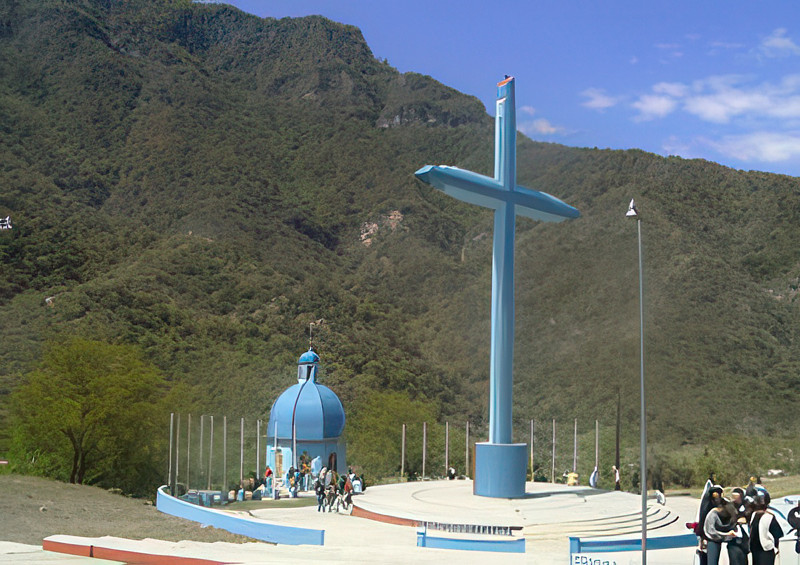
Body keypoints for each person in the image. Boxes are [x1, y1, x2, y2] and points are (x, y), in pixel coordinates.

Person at [703, 489, 736, 565]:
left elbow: (733, 522)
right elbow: (710, 531)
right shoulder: (712, 513)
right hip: (713, 540)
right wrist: (726, 535)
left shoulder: (730, 512)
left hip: (729, 541)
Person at [750, 490, 784, 565]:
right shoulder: (754, 515)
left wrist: (775, 547)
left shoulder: (769, 516)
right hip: (755, 550)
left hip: (766, 550)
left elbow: (778, 534)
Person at [727, 487, 749, 565]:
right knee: (735, 561)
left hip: (744, 542)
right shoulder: (729, 507)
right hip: (733, 541)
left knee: (743, 561)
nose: (736, 499)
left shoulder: (746, 506)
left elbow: (749, 515)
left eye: (738, 497)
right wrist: (737, 521)